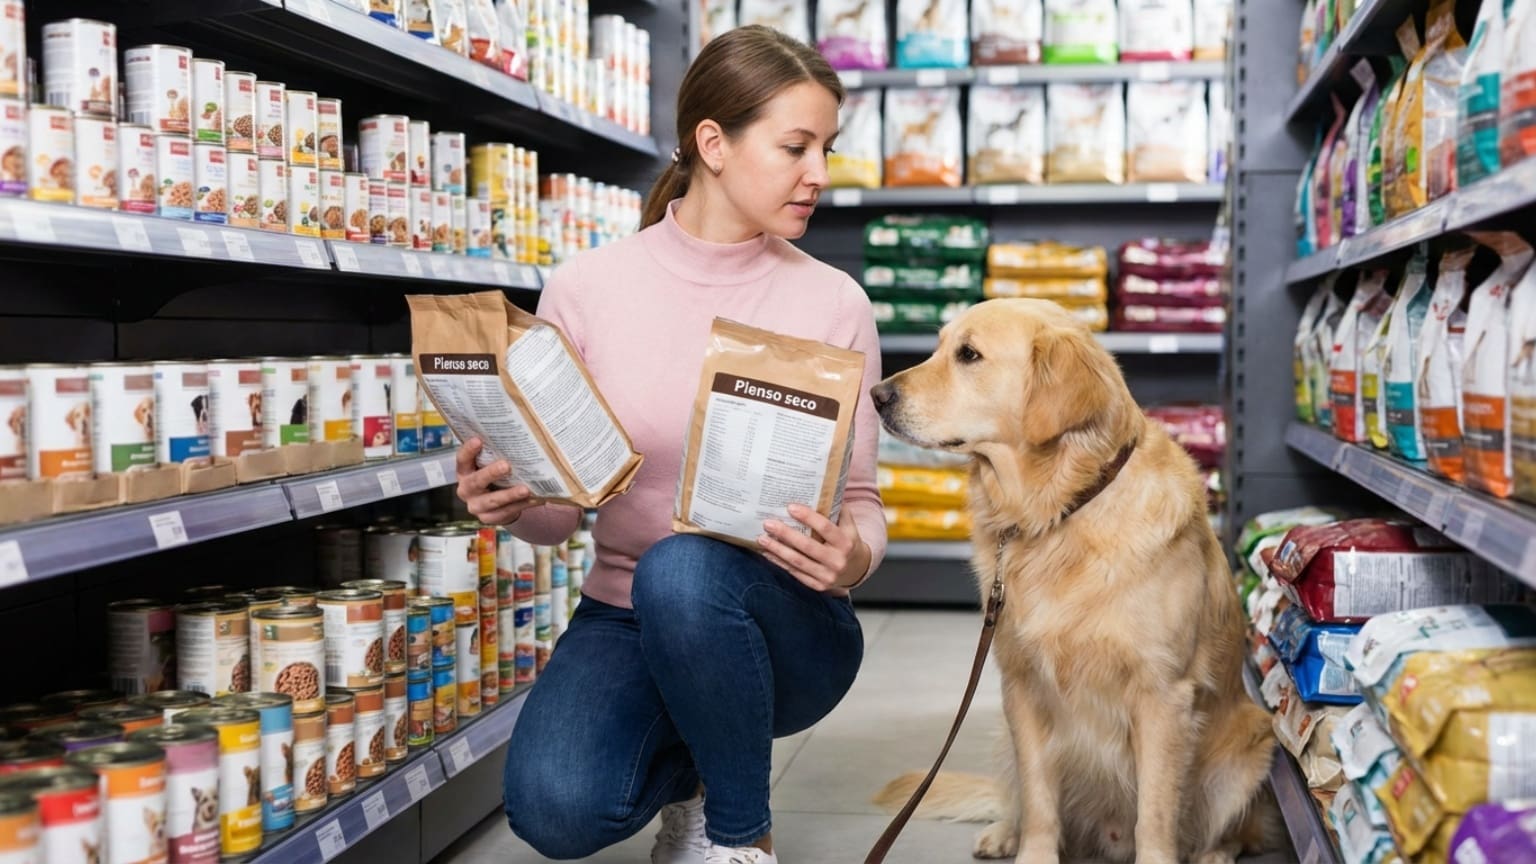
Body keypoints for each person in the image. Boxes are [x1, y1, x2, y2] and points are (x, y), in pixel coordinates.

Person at [453, 25, 887, 864]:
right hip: (625, 616)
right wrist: (511, 501)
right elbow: (558, 517)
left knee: (684, 564)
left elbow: (862, 503)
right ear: (713, 144)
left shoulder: (835, 303)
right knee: (555, 810)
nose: (820, 175)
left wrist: (854, 561)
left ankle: (737, 833)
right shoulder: (587, 288)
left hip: (784, 622)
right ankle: (695, 764)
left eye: (826, 148)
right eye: (796, 147)